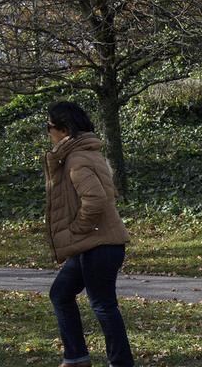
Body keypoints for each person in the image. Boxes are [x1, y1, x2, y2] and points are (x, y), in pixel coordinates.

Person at [43, 101, 133, 367]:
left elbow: (95, 200)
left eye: (48, 127)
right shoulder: (88, 153)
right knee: (61, 293)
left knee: (103, 305)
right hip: (95, 244)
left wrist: (77, 230)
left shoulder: (77, 158)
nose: (48, 133)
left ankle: (120, 363)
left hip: (99, 244)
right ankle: (76, 357)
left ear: (63, 129)